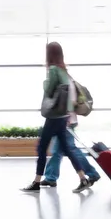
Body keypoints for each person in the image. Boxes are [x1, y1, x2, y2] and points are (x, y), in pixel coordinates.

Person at [22, 42, 91, 193]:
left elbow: (48, 89)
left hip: (54, 116)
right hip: (63, 115)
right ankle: (83, 178)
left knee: (41, 147)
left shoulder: (53, 70)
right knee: (67, 148)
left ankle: (36, 182)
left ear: (49, 54)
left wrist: (45, 80)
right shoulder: (64, 70)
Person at [40, 87, 101, 188]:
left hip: (65, 121)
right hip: (63, 120)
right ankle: (50, 178)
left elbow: (70, 101)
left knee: (71, 149)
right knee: (57, 151)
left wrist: (66, 118)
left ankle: (92, 174)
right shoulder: (63, 80)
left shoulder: (64, 81)